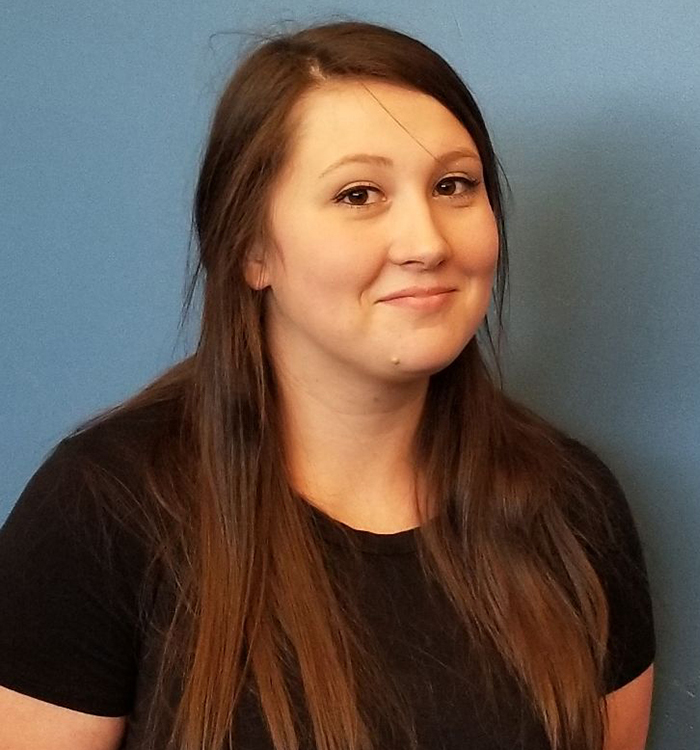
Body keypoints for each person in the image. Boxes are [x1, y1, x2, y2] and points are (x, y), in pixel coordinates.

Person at [0, 20, 655, 750]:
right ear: (251, 249)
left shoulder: (572, 506)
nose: (427, 242)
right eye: (358, 194)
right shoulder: (100, 510)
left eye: (453, 186)